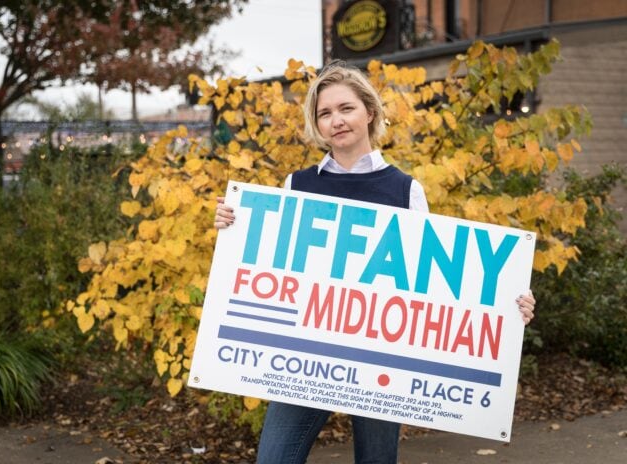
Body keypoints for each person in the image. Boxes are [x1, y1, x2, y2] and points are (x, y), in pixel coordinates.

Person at [214, 63, 536, 464]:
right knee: (274, 458)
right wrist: (234, 227)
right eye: (324, 113)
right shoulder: (297, 185)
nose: (336, 121)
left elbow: (436, 282)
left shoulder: (405, 191)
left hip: (382, 359)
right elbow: (269, 263)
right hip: (305, 355)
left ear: (369, 111)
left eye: (345, 108)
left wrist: (507, 303)